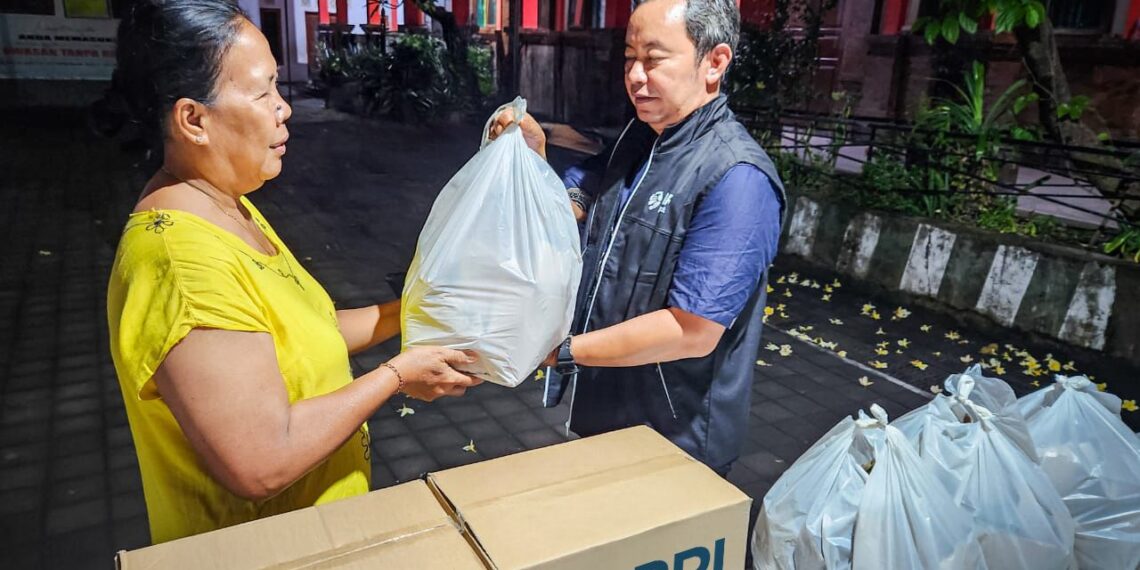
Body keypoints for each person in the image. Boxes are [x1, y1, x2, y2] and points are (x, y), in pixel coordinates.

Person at [98, 0, 480, 544]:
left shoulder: (228, 204)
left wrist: (417, 308)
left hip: (318, 536)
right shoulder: (181, 265)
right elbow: (260, 461)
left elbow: (306, 331)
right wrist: (397, 376)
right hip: (264, 551)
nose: (284, 109)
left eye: (278, 87)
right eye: (262, 93)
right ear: (193, 120)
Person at [488, 0, 785, 475]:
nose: (635, 76)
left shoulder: (737, 178)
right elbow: (591, 181)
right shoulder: (642, 136)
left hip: (674, 440)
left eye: (654, 58)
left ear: (715, 62)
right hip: (604, 406)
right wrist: (540, 162)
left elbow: (691, 331)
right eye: (629, 58)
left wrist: (560, 352)